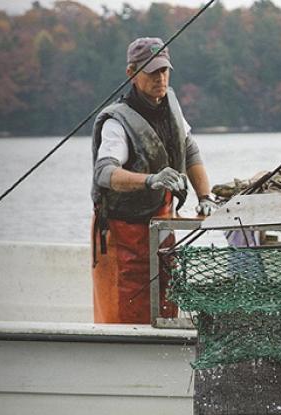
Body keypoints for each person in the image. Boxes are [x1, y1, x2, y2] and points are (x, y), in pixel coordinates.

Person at [90, 37, 217, 324]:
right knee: (128, 308)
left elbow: (191, 149)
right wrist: (150, 181)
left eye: (164, 70)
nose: (160, 78)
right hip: (124, 233)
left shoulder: (171, 107)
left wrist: (205, 196)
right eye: (151, 71)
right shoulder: (116, 122)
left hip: (161, 224)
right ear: (132, 73)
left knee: (166, 300)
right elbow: (105, 173)